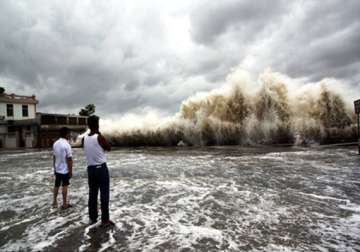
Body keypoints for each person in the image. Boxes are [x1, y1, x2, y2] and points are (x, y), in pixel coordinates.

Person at [82, 115, 114, 226]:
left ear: (88, 125)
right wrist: (100, 135)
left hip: (90, 169)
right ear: (97, 124)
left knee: (92, 194)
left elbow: (88, 148)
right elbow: (109, 148)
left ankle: (92, 218)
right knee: (104, 194)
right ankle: (105, 220)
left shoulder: (84, 138)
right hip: (101, 169)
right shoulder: (99, 137)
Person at [53, 127, 73, 209]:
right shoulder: (67, 144)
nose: (70, 135)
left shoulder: (56, 143)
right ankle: (64, 204)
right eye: (69, 133)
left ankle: (54, 202)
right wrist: (70, 171)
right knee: (65, 185)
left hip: (57, 169)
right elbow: (69, 159)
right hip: (64, 170)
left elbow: (54, 157)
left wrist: (54, 168)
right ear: (66, 134)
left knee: (56, 185)